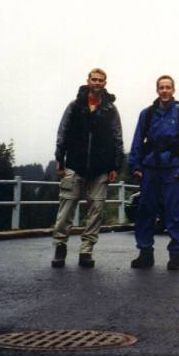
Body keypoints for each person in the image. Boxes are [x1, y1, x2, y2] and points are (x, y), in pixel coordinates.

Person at [50, 68, 124, 268]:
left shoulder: (110, 109)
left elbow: (118, 137)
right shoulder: (75, 106)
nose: (97, 83)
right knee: (66, 208)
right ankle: (60, 247)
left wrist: (115, 165)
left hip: (101, 168)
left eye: (101, 80)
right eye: (94, 79)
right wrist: (60, 158)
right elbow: (63, 131)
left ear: (105, 84)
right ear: (88, 80)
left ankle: (86, 251)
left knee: (96, 210)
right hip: (74, 164)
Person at [128, 75, 179, 270]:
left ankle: (175, 255)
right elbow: (137, 140)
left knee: (174, 214)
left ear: (174, 90)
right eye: (161, 87)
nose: (165, 91)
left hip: (172, 170)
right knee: (145, 211)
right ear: (157, 90)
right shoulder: (147, 114)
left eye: (168, 87)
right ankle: (145, 253)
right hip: (150, 169)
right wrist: (136, 166)